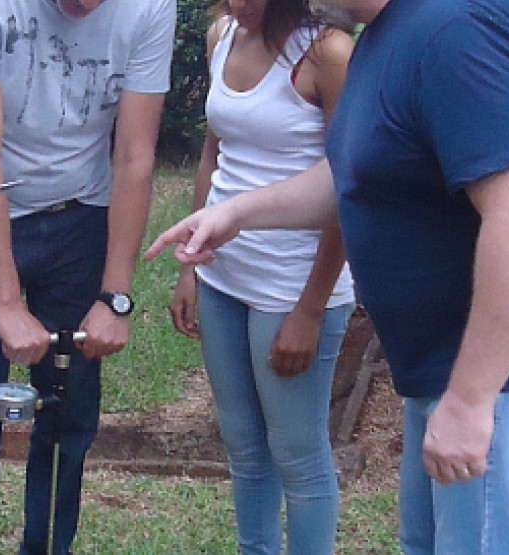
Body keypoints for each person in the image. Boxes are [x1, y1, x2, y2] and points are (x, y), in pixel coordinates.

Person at [146, 0, 509, 552]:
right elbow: (360, 169)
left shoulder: (459, 27)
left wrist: (470, 399)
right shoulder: (393, 31)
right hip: (443, 371)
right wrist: (237, 213)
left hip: (497, 380)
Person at [0, 0, 175, 553]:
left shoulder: (151, 6)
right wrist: (7, 302)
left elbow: (134, 155)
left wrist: (116, 295)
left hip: (79, 219)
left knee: (68, 419)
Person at [167, 1, 355, 553]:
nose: (236, 4)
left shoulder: (326, 53)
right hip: (223, 276)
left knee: (298, 455)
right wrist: (189, 269)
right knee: (244, 448)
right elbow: (213, 152)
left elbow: (349, 185)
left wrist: (311, 310)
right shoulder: (221, 34)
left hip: (293, 284)